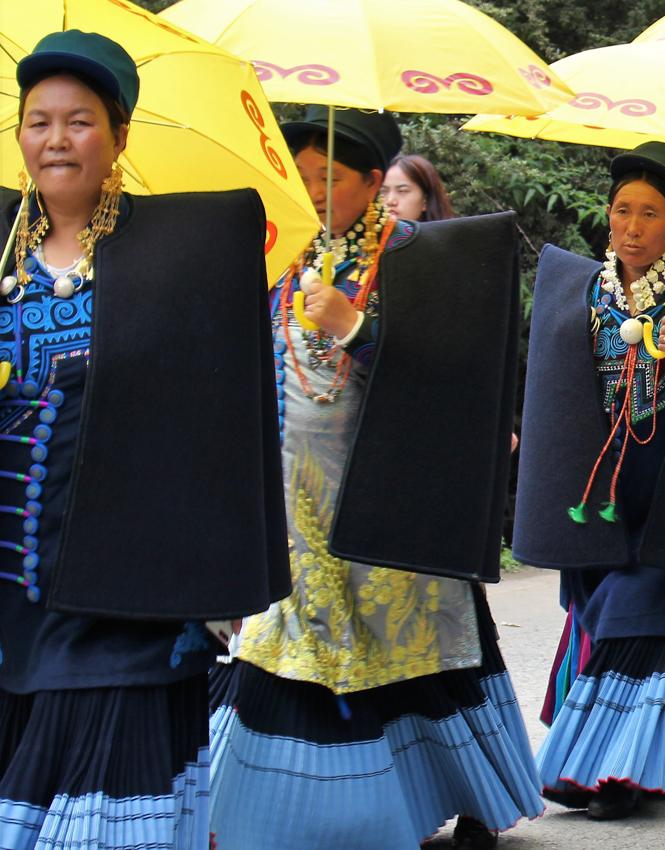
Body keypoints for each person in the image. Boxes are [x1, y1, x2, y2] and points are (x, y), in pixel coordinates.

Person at [209, 106, 541, 849]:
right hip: (295, 495)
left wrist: (355, 329)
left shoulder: (415, 258)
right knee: (293, 644)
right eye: (301, 175)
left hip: (389, 490)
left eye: (331, 177)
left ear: (372, 182)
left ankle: (468, 794)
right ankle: (287, 817)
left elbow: (451, 378)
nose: (314, 189)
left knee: (422, 648)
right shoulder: (280, 258)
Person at [0, 30, 296, 850]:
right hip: (12, 586)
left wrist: (224, 573)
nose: (56, 139)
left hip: (125, 585)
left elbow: (226, 420)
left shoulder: (180, 256)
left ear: (120, 134)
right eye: (38, 121)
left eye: (79, 120)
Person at [512, 143, 665, 821]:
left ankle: (612, 770)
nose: (633, 226)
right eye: (623, 210)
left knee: (642, 615)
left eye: (650, 213)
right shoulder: (581, 292)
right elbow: (552, 392)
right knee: (611, 609)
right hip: (599, 495)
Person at [383, 152, 455, 222]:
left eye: (402, 191)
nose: (390, 201)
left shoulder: (452, 233)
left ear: (425, 200)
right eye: (383, 191)